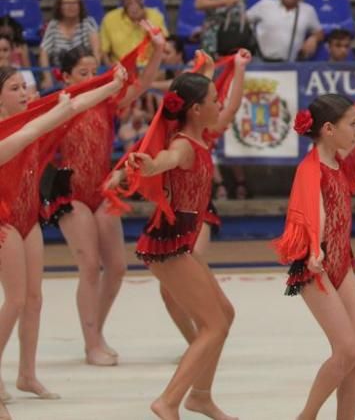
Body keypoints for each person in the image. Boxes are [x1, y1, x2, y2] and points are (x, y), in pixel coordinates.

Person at [126, 50, 249, 420]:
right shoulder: (182, 145)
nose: (220, 103)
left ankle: (201, 396)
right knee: (212, 326)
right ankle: (168, 401)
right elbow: (166, 159)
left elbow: (221, 101)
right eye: (213, 99)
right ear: (195, 109)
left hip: (180, 242)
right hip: (169, 242)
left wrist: (216, 69)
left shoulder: (201, 135)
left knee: (224, 315)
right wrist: (151, 165)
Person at [0, 65, 129, 409]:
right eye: (14, 89)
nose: (25, 93)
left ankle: (26, 374)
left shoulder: (32, 118)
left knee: (34, 299)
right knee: (14, 301)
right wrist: (59, 108)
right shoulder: (6, 130)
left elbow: (74, 105)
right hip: (4, 221)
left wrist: (111, 86)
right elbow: (33, 132)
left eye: (24, 86)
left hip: (28, 217)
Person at [48, 31, 164, 366]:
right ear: (66, 76)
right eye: (82, 73)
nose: (90, 78)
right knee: (89, 266)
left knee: (116, 267)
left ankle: (95, 331)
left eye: (94, 71)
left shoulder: (105, 100)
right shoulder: (62, 105)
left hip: (101, 190)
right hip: (72, 194)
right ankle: (91, 344)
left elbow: (142, 84)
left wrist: (156, 49)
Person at [274, 81, 355, 420]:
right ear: (328, 129)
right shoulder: (310, 169)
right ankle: (306, 416)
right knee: (346, 349)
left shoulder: (338, 155)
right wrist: (314, 251)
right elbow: (313, 213)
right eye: (349, 124)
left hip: (341, 262)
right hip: (315, 266)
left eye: (354, 122)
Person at [247, 0, 324, 62]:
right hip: (261, 62)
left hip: (290, 66)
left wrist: (314, 38)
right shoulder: (265, 5)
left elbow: (320, 32)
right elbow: (244, 21)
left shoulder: (308, 10)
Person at [40, 0, 101, 87]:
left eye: (74, 3)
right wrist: (47, 78)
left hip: (84, 75)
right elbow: (44, 52)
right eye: (66, 3)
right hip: (59, 77)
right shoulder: (53, 25)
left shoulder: (88, 22)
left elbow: (96, 51)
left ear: (80, 6)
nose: (70, 6)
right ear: (60, 6)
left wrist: (93, 74)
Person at [100, 0, 168, 65]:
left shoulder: (155, 16)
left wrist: (143, 20)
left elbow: (164, 47)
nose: (133, 1)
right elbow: (104, 52)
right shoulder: (109, 19)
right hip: (122, 71)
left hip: (150, 69)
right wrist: (112, 71)